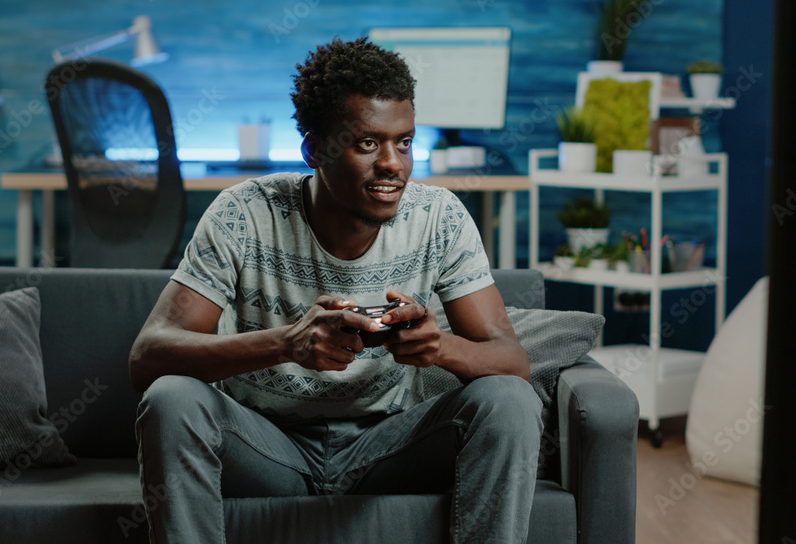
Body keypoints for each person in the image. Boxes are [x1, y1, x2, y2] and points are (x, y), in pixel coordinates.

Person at [129, 36, 542, 543]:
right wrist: (286, 343)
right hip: (265, 447)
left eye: (405, 142)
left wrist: (438, 346)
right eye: (368, 143)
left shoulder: (440, 217)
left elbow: (513, 363)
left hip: (388, 446)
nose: (393, 164)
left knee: (510, 400)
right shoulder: (244, 212)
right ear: (314, 149)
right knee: (172, 398)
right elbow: (146, 359)